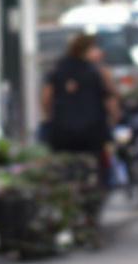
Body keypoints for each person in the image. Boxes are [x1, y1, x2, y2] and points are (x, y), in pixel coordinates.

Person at [40, 31, 115, 164]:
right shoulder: (97, 71)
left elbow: (46, 97)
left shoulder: (58, 68)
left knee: (63, 166)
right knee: (98, 166)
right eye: (95, 48)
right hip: (93, 133)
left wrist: (50, 118)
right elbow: (110, 97)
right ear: (86, 50)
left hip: (62, 131)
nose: (99, 52)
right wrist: (114, 119)